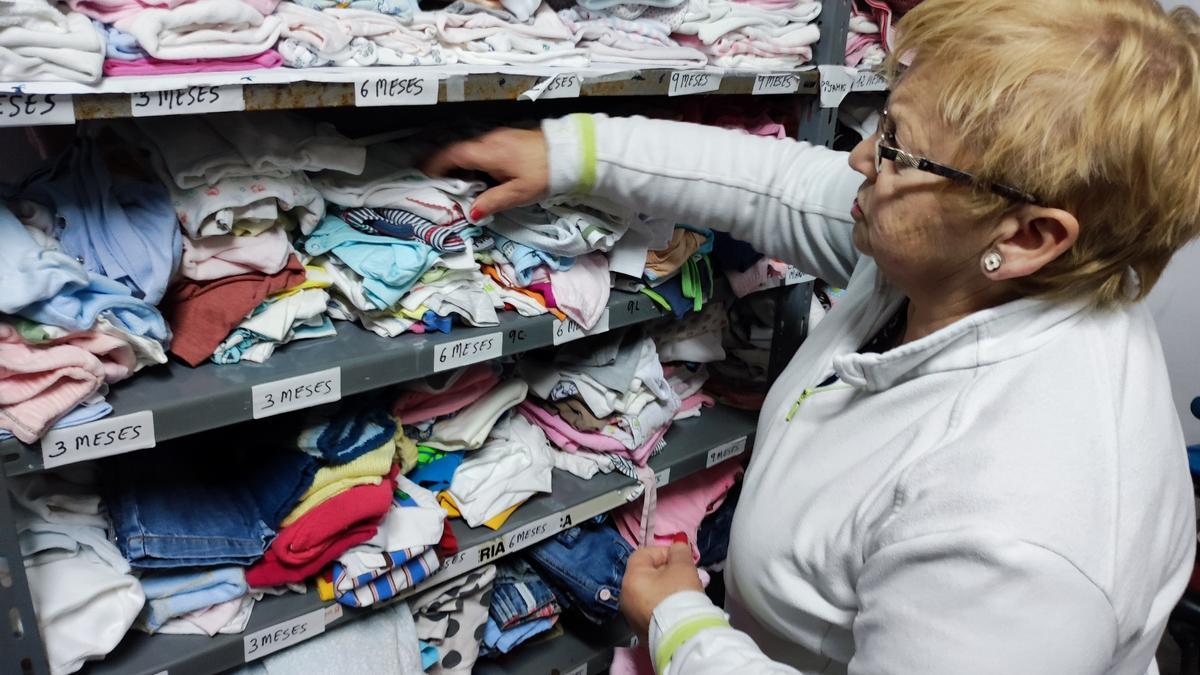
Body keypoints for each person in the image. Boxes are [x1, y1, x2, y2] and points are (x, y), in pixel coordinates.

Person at [425, 0, 1200, 671]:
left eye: (895, 147)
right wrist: (567, 153)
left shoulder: (1020, 538)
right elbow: (780, 184)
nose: (862, 155)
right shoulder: (956, 260)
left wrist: (681, 625)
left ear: (1030, 234)